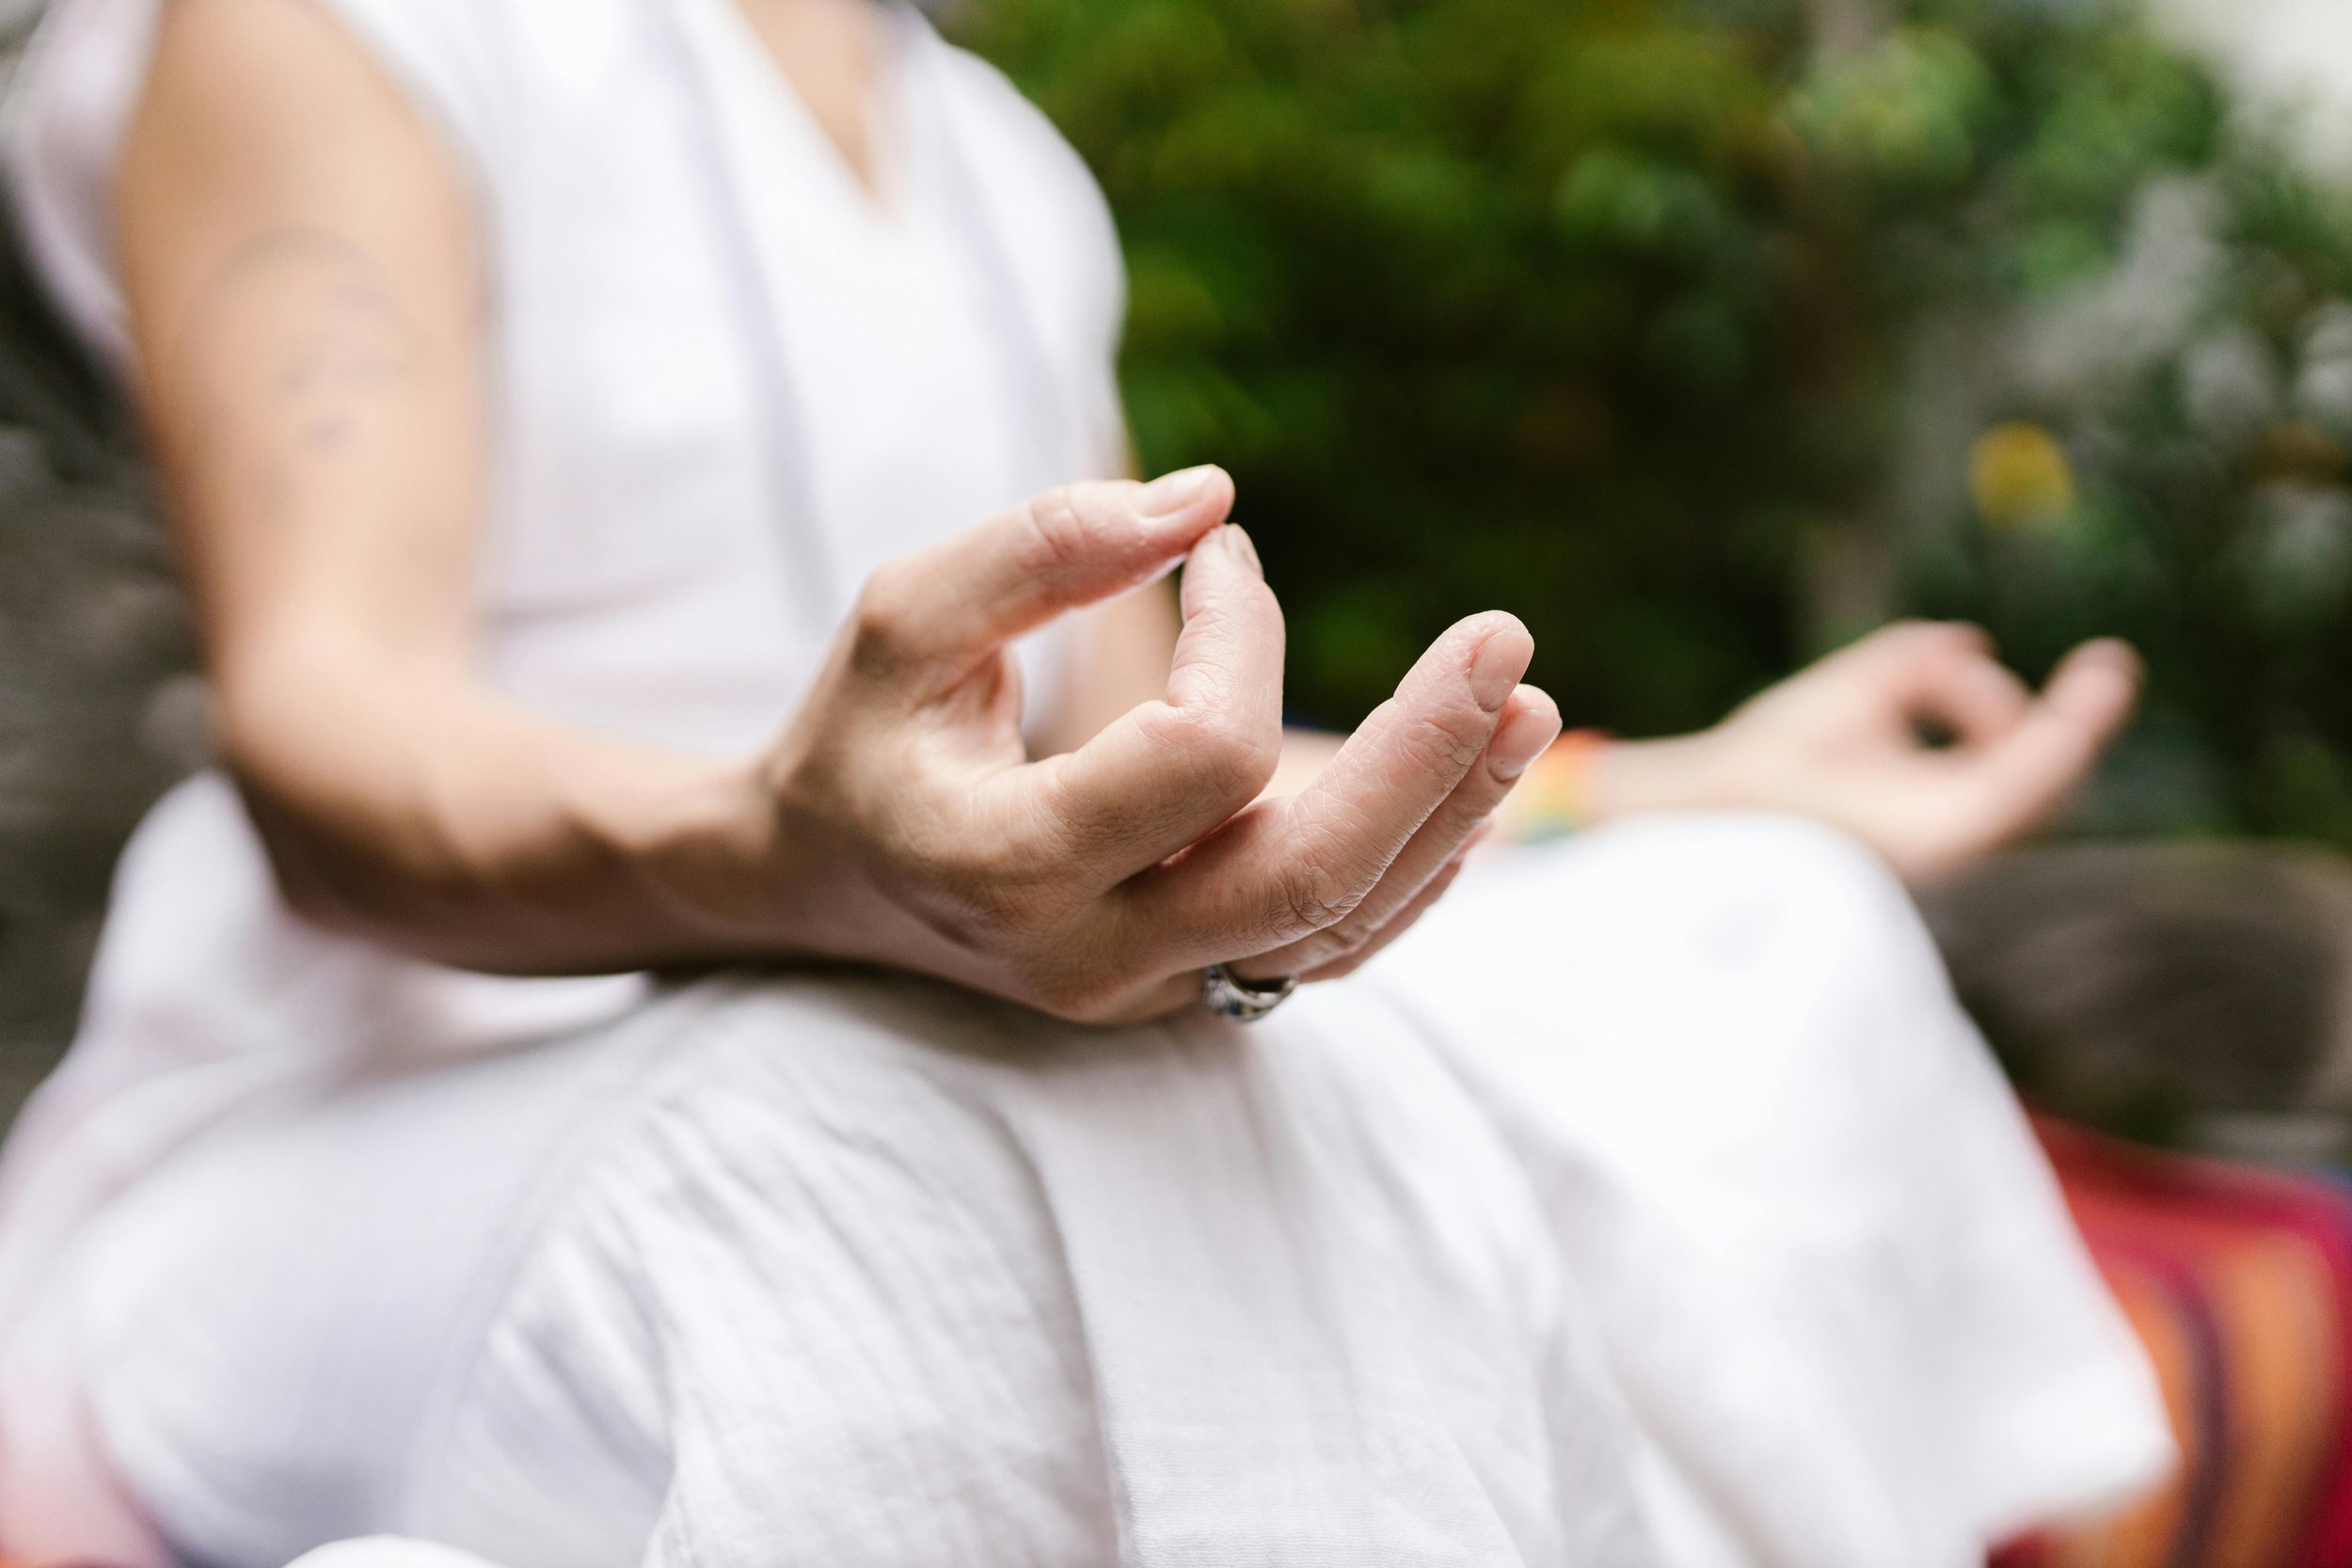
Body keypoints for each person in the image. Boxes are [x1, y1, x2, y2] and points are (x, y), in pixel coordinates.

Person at [0, 0, 2171, 1562]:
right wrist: (798, 864)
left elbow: (1125, 770)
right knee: (926, 1126)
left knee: (1769, 932)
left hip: (879, 967)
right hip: (385, 1118)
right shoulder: (322, 31)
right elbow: (330, 729)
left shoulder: (998, 166)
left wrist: (1689, 785)